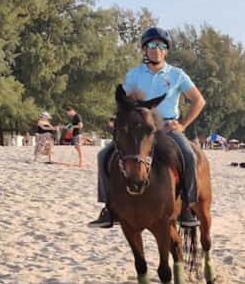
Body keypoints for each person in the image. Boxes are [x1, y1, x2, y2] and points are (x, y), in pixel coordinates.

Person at [88, 26, 206, 229]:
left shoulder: (177, 75)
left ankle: (187, 206)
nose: (156, 49)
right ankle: (108, 208)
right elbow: (125, 103)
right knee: (103, 155)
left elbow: (199, 101)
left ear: (166, 51)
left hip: (167, 128)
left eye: (161, 46)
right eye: (151, 45)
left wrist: (183, 124)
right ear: (144, 49)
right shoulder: (134, 74)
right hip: (140, 129)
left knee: (189, 155)